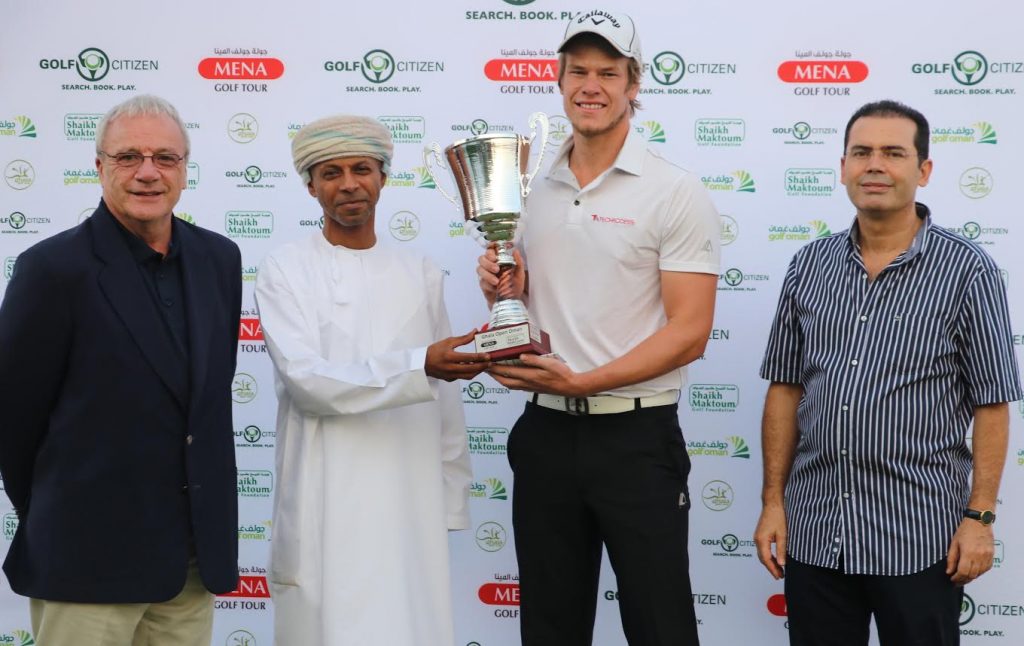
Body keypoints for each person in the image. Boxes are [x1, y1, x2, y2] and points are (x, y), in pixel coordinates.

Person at [476, 10, 720, 645]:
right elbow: (533, 300)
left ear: (633, 84)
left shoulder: (674, 190)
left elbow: (690, 331)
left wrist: (584, 382)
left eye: (608, 72)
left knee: (661, 626)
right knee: (550, 629)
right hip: (545, 436)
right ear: (559, 81)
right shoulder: (527, 188)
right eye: (578, 71)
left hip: (636, 438)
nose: (591, 86)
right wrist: (504, 287)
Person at [754, 100, 1022, 646]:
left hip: (920, 538)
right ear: (843, 167)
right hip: (816, 531)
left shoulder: (968, 270)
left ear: (924, 170)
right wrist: (773, 502)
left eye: (893, 153)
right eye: (862, 152)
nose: (875, 165)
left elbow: (992, 402)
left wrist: (980, 518)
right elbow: (785, 388)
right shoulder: (808, 265)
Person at [0, 94, 242, 646]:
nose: (148, 172)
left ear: (184, 168)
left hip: (191, 566)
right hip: (85, 562)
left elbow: (205, 403)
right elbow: (13, 420)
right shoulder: (51, 269)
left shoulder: (219, 260)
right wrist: (62, 513)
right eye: (129, 156)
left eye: (165, 158)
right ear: (100, 166)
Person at [255, 114, 490, 645]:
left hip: (410, 498)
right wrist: (417, 365)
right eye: (330, 173)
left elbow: (444, 400)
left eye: (361, 169)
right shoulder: (285, 268)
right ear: (310, 186)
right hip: (324, 497)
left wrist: (451, 494)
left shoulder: (419, 270)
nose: (348, 184)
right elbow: (307, 382)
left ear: (383, 177)